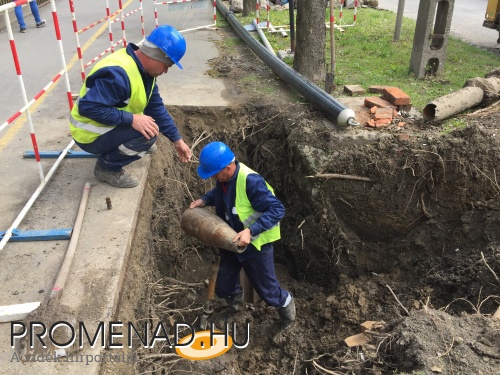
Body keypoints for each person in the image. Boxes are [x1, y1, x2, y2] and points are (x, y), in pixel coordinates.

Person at [189, 141, 296, 344]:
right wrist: (204, 200)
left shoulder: (250, 182)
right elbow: (220, 195)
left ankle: (289, 319)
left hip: (255, 244)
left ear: (228, 168)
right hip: (232, 240)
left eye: (214, 174)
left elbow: (277, 209)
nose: (213, 177)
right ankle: (235, 307)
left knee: (269, 292)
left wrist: (251, 230)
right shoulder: (225, 179)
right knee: (223, 286)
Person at [69, 25, 192, 188]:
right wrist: (131, 119)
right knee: (147, 136)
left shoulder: (145, 73)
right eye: (166, 66)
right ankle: (106, 168)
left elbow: (155, 107)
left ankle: (123, 144)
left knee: (149, 127)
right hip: (89, 134)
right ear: (154, 56)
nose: (166, 71)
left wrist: (177, 140)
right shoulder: (118, 75)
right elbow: (88, 107)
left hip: (105, 125)